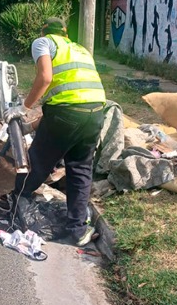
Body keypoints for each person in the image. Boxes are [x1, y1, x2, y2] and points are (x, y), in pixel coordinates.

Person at [9, 16, 106, 247]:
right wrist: (34, 124)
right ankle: (78, 229)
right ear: (65, 33)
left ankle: (16, 203)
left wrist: (23, 109)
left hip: (66, 112)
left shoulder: (43, 43)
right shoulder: (80, 49)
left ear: (45, 31)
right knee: (80, 169)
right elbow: (73, 97)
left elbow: (45, 78)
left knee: (38, 162)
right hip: (96, 112)